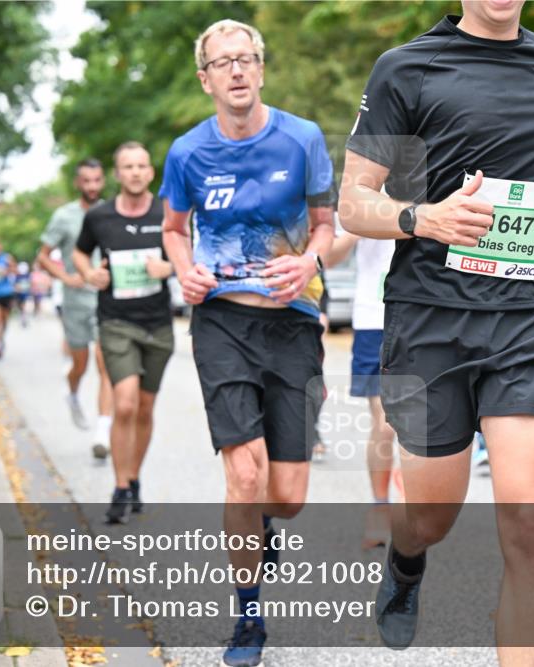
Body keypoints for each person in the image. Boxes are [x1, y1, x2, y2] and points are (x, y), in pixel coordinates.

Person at [339, 2, 534, 664]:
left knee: (528, 518)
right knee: (432, 515)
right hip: (433, 315)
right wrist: (423, 217)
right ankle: (405, 561)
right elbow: (354, 201)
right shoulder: (405, 69)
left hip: (533, 316)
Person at [160, 19, 335, 667]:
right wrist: (184, 268)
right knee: (244, 471)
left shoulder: (304, 139)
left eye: (247, 59)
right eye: (223, 62)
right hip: (223, 322)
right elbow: (174, 230)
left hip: (292, 325)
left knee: (285, 495)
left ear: (262, 69)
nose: (237, 70)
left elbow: (326, 225)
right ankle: (248, 614)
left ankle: (260, 524)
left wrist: (310, 263)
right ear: (205, 78)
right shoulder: (187, 153)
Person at [74, 141, 174, 524]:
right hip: (116, 321)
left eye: (141, 166)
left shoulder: (167, 213)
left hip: (158, 323)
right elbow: (81, 253)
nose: (134, 172)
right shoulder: (99, 217)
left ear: (150, 173)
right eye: (127, 166)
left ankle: (133, 477)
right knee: (126, 402)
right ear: (117, 174)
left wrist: (171, 269)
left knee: (146, 407)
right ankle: (119, 487)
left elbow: (190, 252)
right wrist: (88, 274)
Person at [324, 228, 399, 548]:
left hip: (429, 316)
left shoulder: (435, 179)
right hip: (375, 321)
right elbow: (328, 257)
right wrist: (359, 224)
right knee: (386, 423)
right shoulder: (364, 182)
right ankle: (381, 508)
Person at [39, 158, 115, 457]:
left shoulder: (112, 212)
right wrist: (66, 277)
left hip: (106, 300)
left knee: (105, 362)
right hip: (76, 301)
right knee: (80, 364)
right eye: (87, 181)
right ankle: (71, 392)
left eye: (97, 180)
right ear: (77, 183)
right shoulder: (64, 216)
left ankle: (102, 433)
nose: (92, 186)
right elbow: (42, 257)